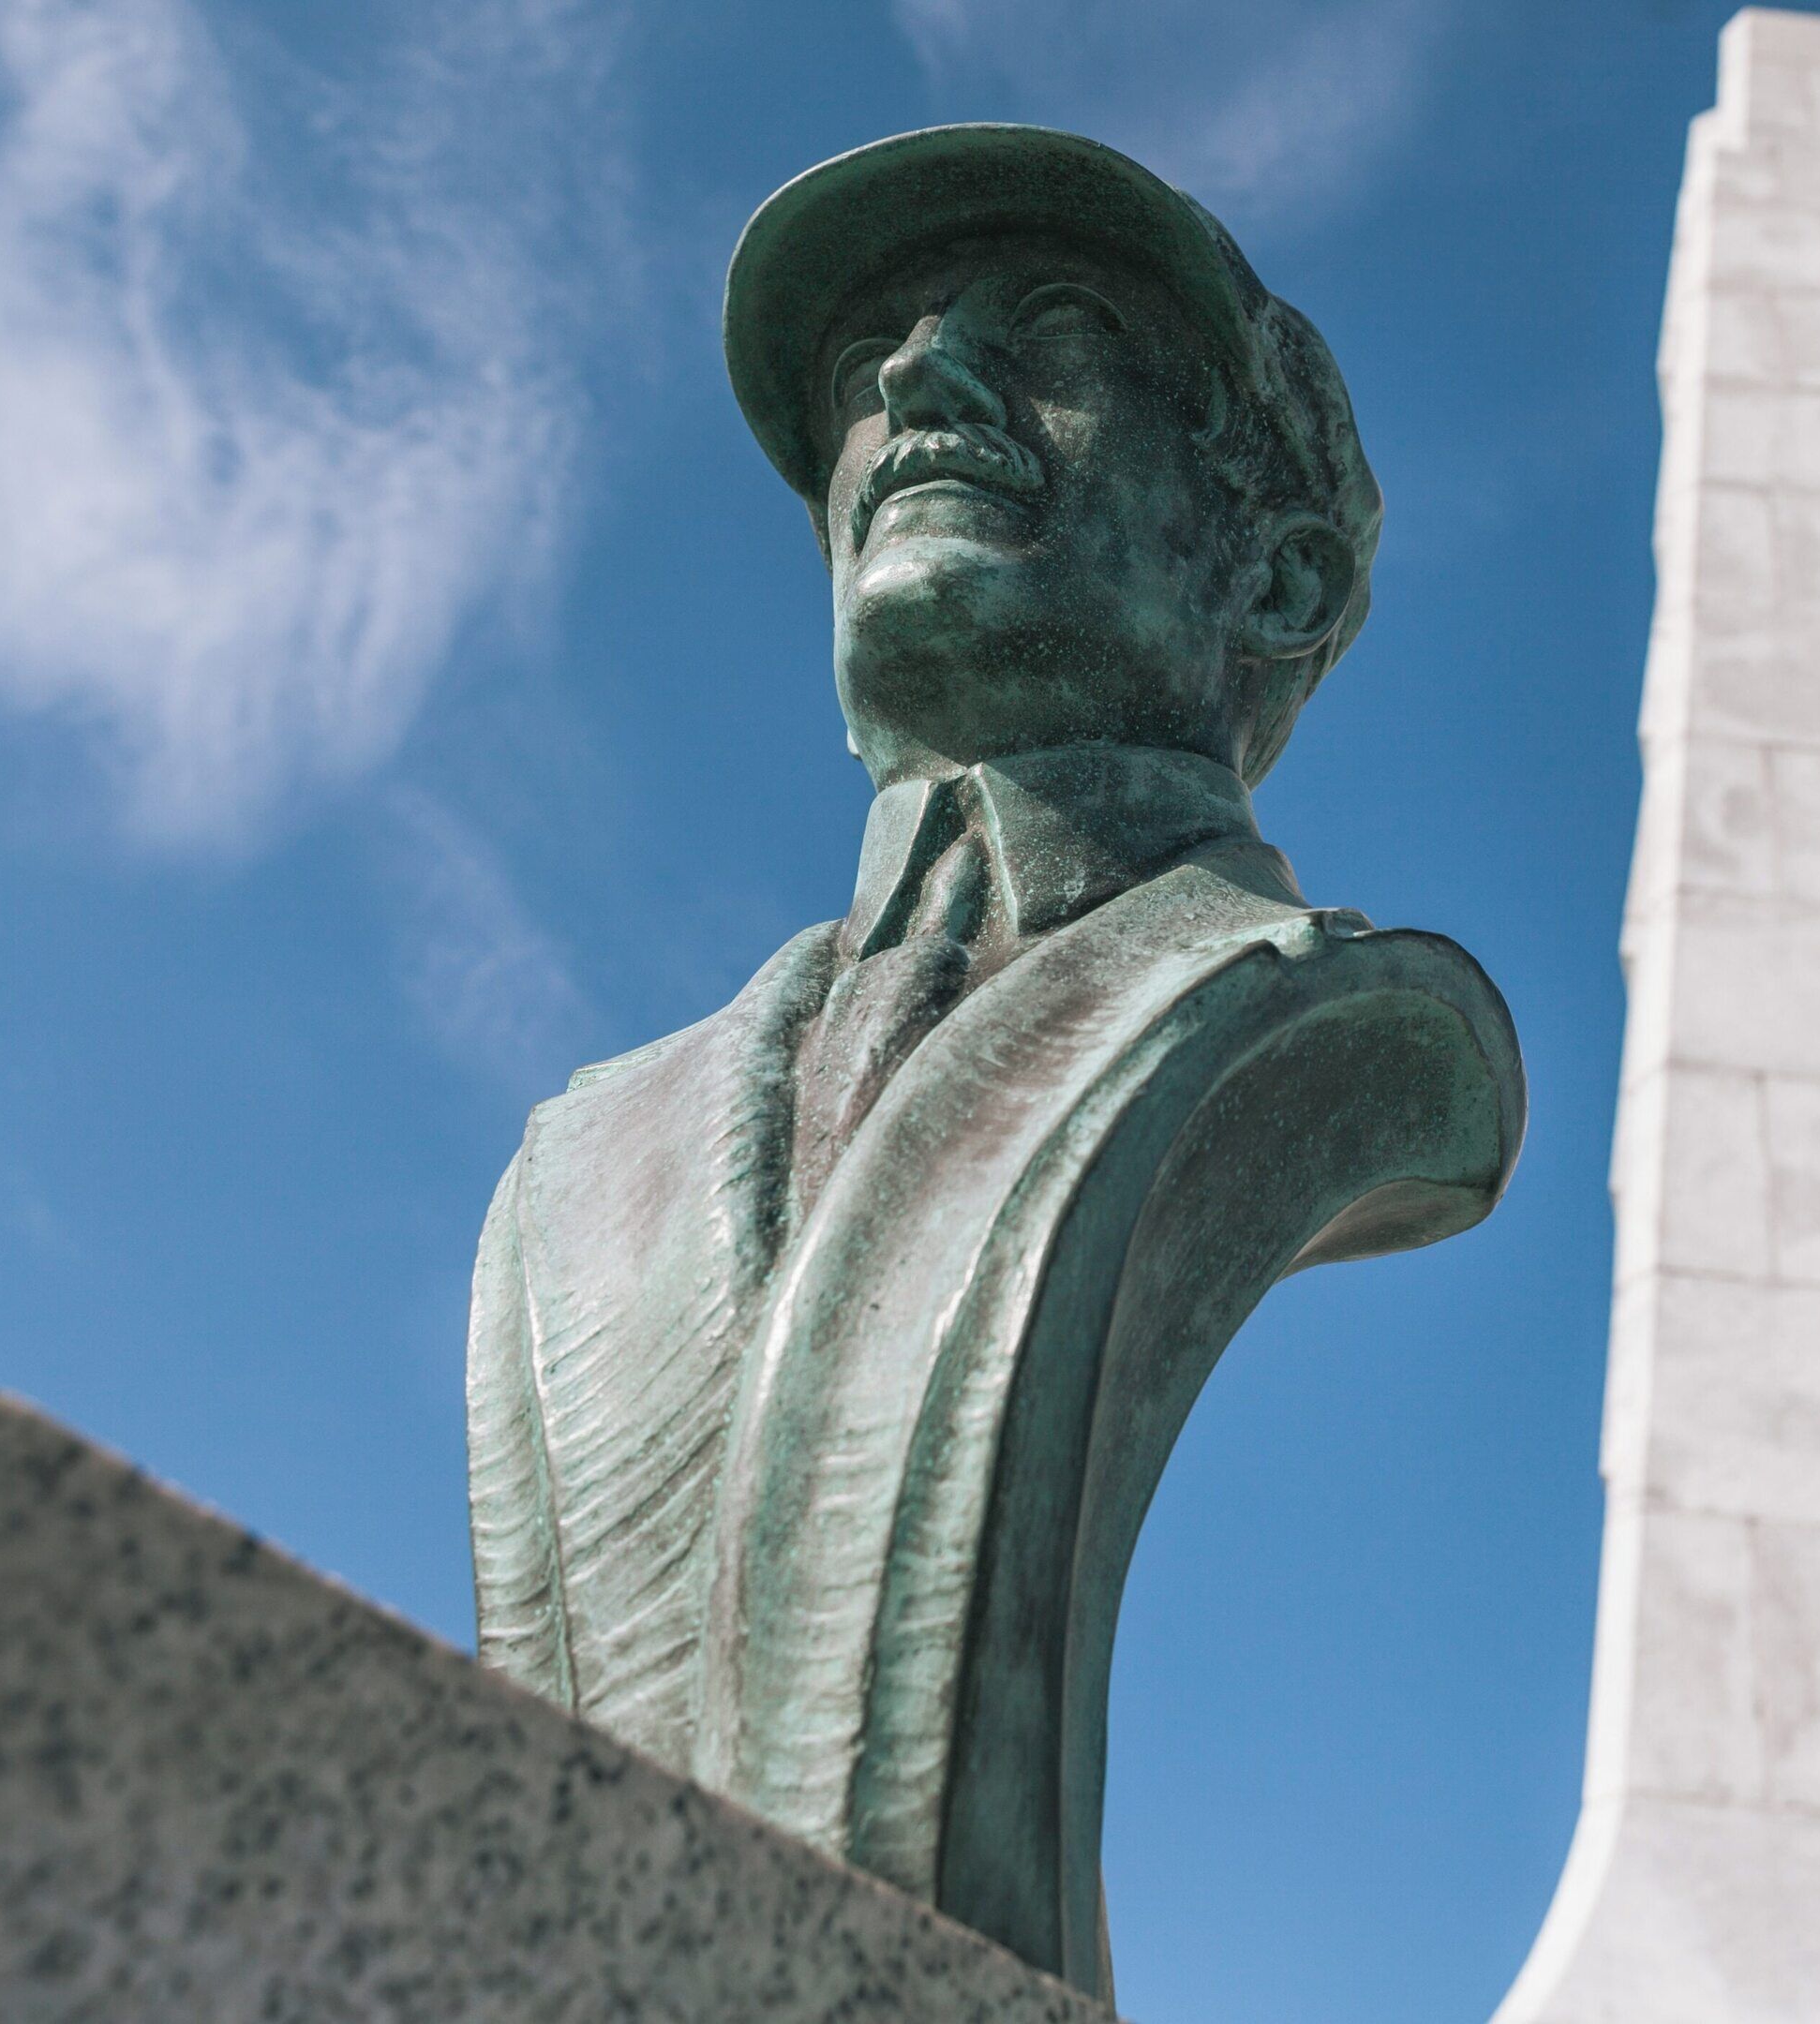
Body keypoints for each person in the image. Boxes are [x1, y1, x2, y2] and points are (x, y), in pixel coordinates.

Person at [461, 125, 1521, 1997]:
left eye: (1051, 333)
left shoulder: (1322, 1012)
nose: (915, 379)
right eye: (879, 346)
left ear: (1272, 579)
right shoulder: (590, 1152)